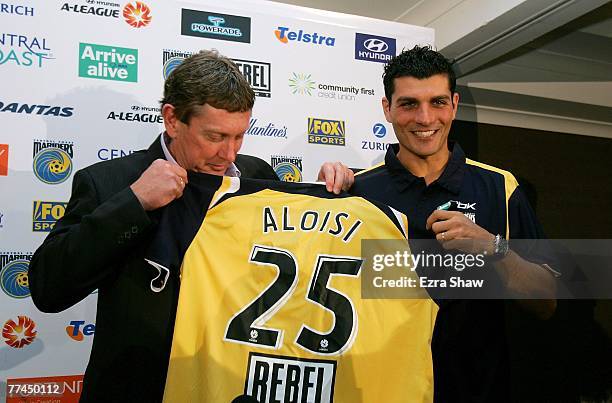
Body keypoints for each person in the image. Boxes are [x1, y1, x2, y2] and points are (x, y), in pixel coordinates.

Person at [28, 50, 354, 402]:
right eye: (215, 137)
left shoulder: (258, 176)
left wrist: (329, 193)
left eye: (239, 136)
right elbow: (48, 288)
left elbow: (300, 264)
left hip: (231, 386)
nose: (229, 154)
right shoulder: (110, 182)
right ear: (172, 119)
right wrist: (133, 203)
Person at [350, 45, 560, 402]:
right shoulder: (359, 191)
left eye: (437, 102)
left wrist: (493, 247)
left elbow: (548, 301)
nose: (425, 118)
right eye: (409, 104)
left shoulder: (499, 187)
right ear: (387, 109)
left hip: (478, 390)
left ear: (455, 104)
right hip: (379, 390)